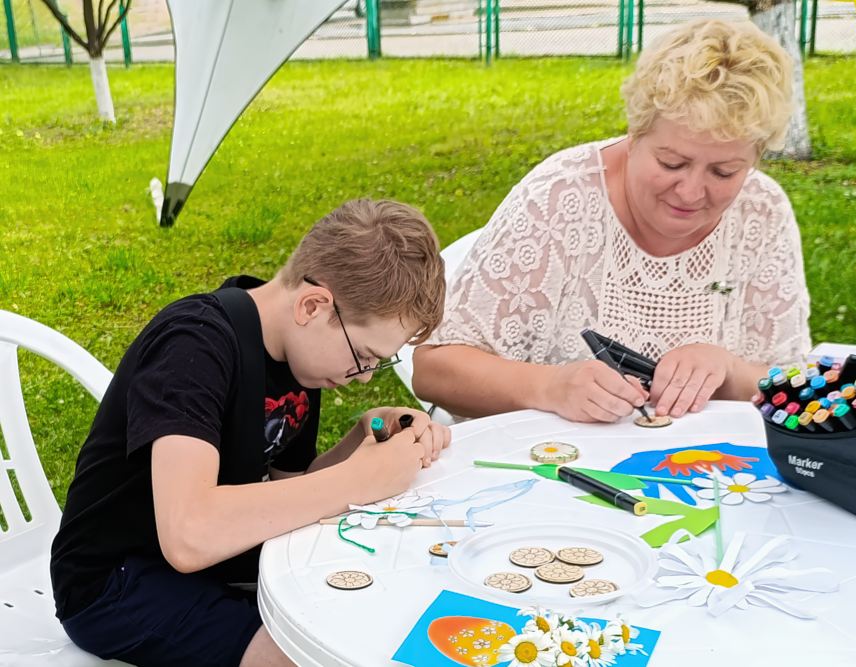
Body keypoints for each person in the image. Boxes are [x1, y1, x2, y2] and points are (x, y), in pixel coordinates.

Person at [50, 199, 450, 667]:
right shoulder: (194, 344)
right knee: (315, 655)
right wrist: (361, 480)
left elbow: (291, 491)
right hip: (115, 582)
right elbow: (188, 534)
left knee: (381, 611)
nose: (364, 377)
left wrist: (361, 441)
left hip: (223, 557)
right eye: (364, 356)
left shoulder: (300, 358)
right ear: (313, 305)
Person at [413, 19, 811, 424]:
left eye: (724, 172)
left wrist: (728, 370)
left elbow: (794, 386)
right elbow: (435, 370)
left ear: (755, 159)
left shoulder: (762, 211)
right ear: (634, 134)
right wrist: (549, 387)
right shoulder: (560, 199)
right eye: (672, 163)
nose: (691, 192)